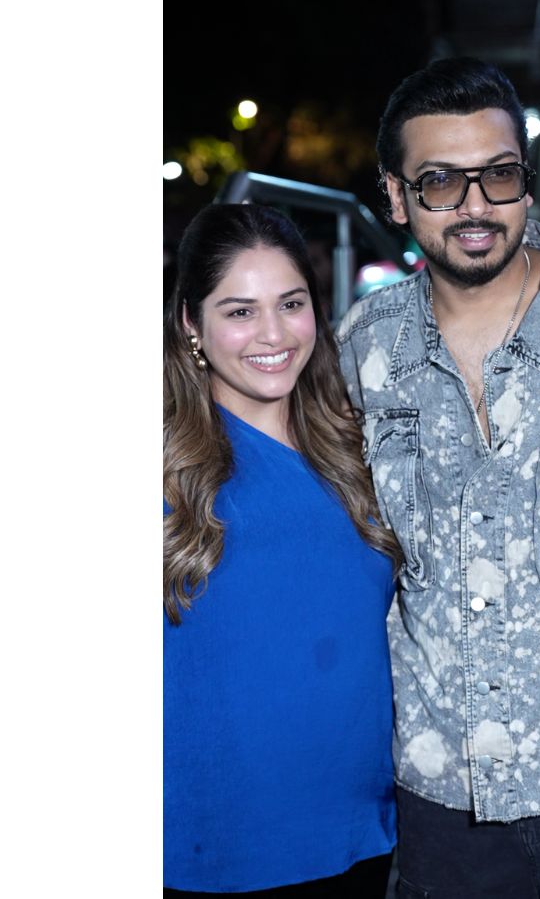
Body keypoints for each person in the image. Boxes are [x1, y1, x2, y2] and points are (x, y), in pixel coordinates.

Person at [336, 58, 540, 898]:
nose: (476, 205)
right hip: (442, 796)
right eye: (441, 182)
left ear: (527, 178)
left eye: (499, 174)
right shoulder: (363, 346)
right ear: (395, 196)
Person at [163, 202, 402, 897]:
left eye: (291, 304)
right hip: (212, 847)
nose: (272, 334)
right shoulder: (163, 465)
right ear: (191, 323)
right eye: (240, 311)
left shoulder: (360, 446)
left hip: (361, 833)